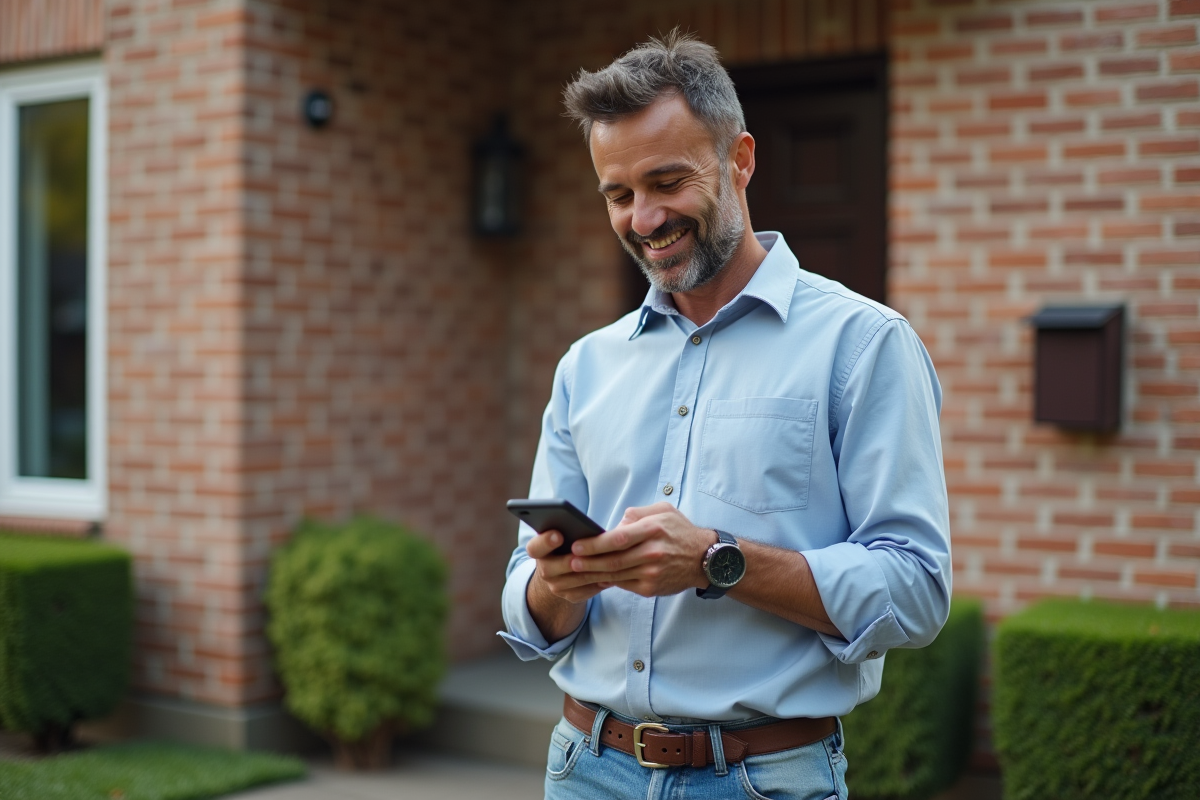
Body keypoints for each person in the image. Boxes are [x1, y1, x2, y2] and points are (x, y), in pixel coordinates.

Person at [500, 30, 951, 800]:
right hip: (583, 767)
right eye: (618, 194)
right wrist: (561, 582)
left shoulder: (864, 345)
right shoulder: (587, 366)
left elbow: (914, 589)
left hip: (761, 779)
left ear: (740, 159)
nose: (643, 219)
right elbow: (525, 604)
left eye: (667, 181)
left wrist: (717, 559)